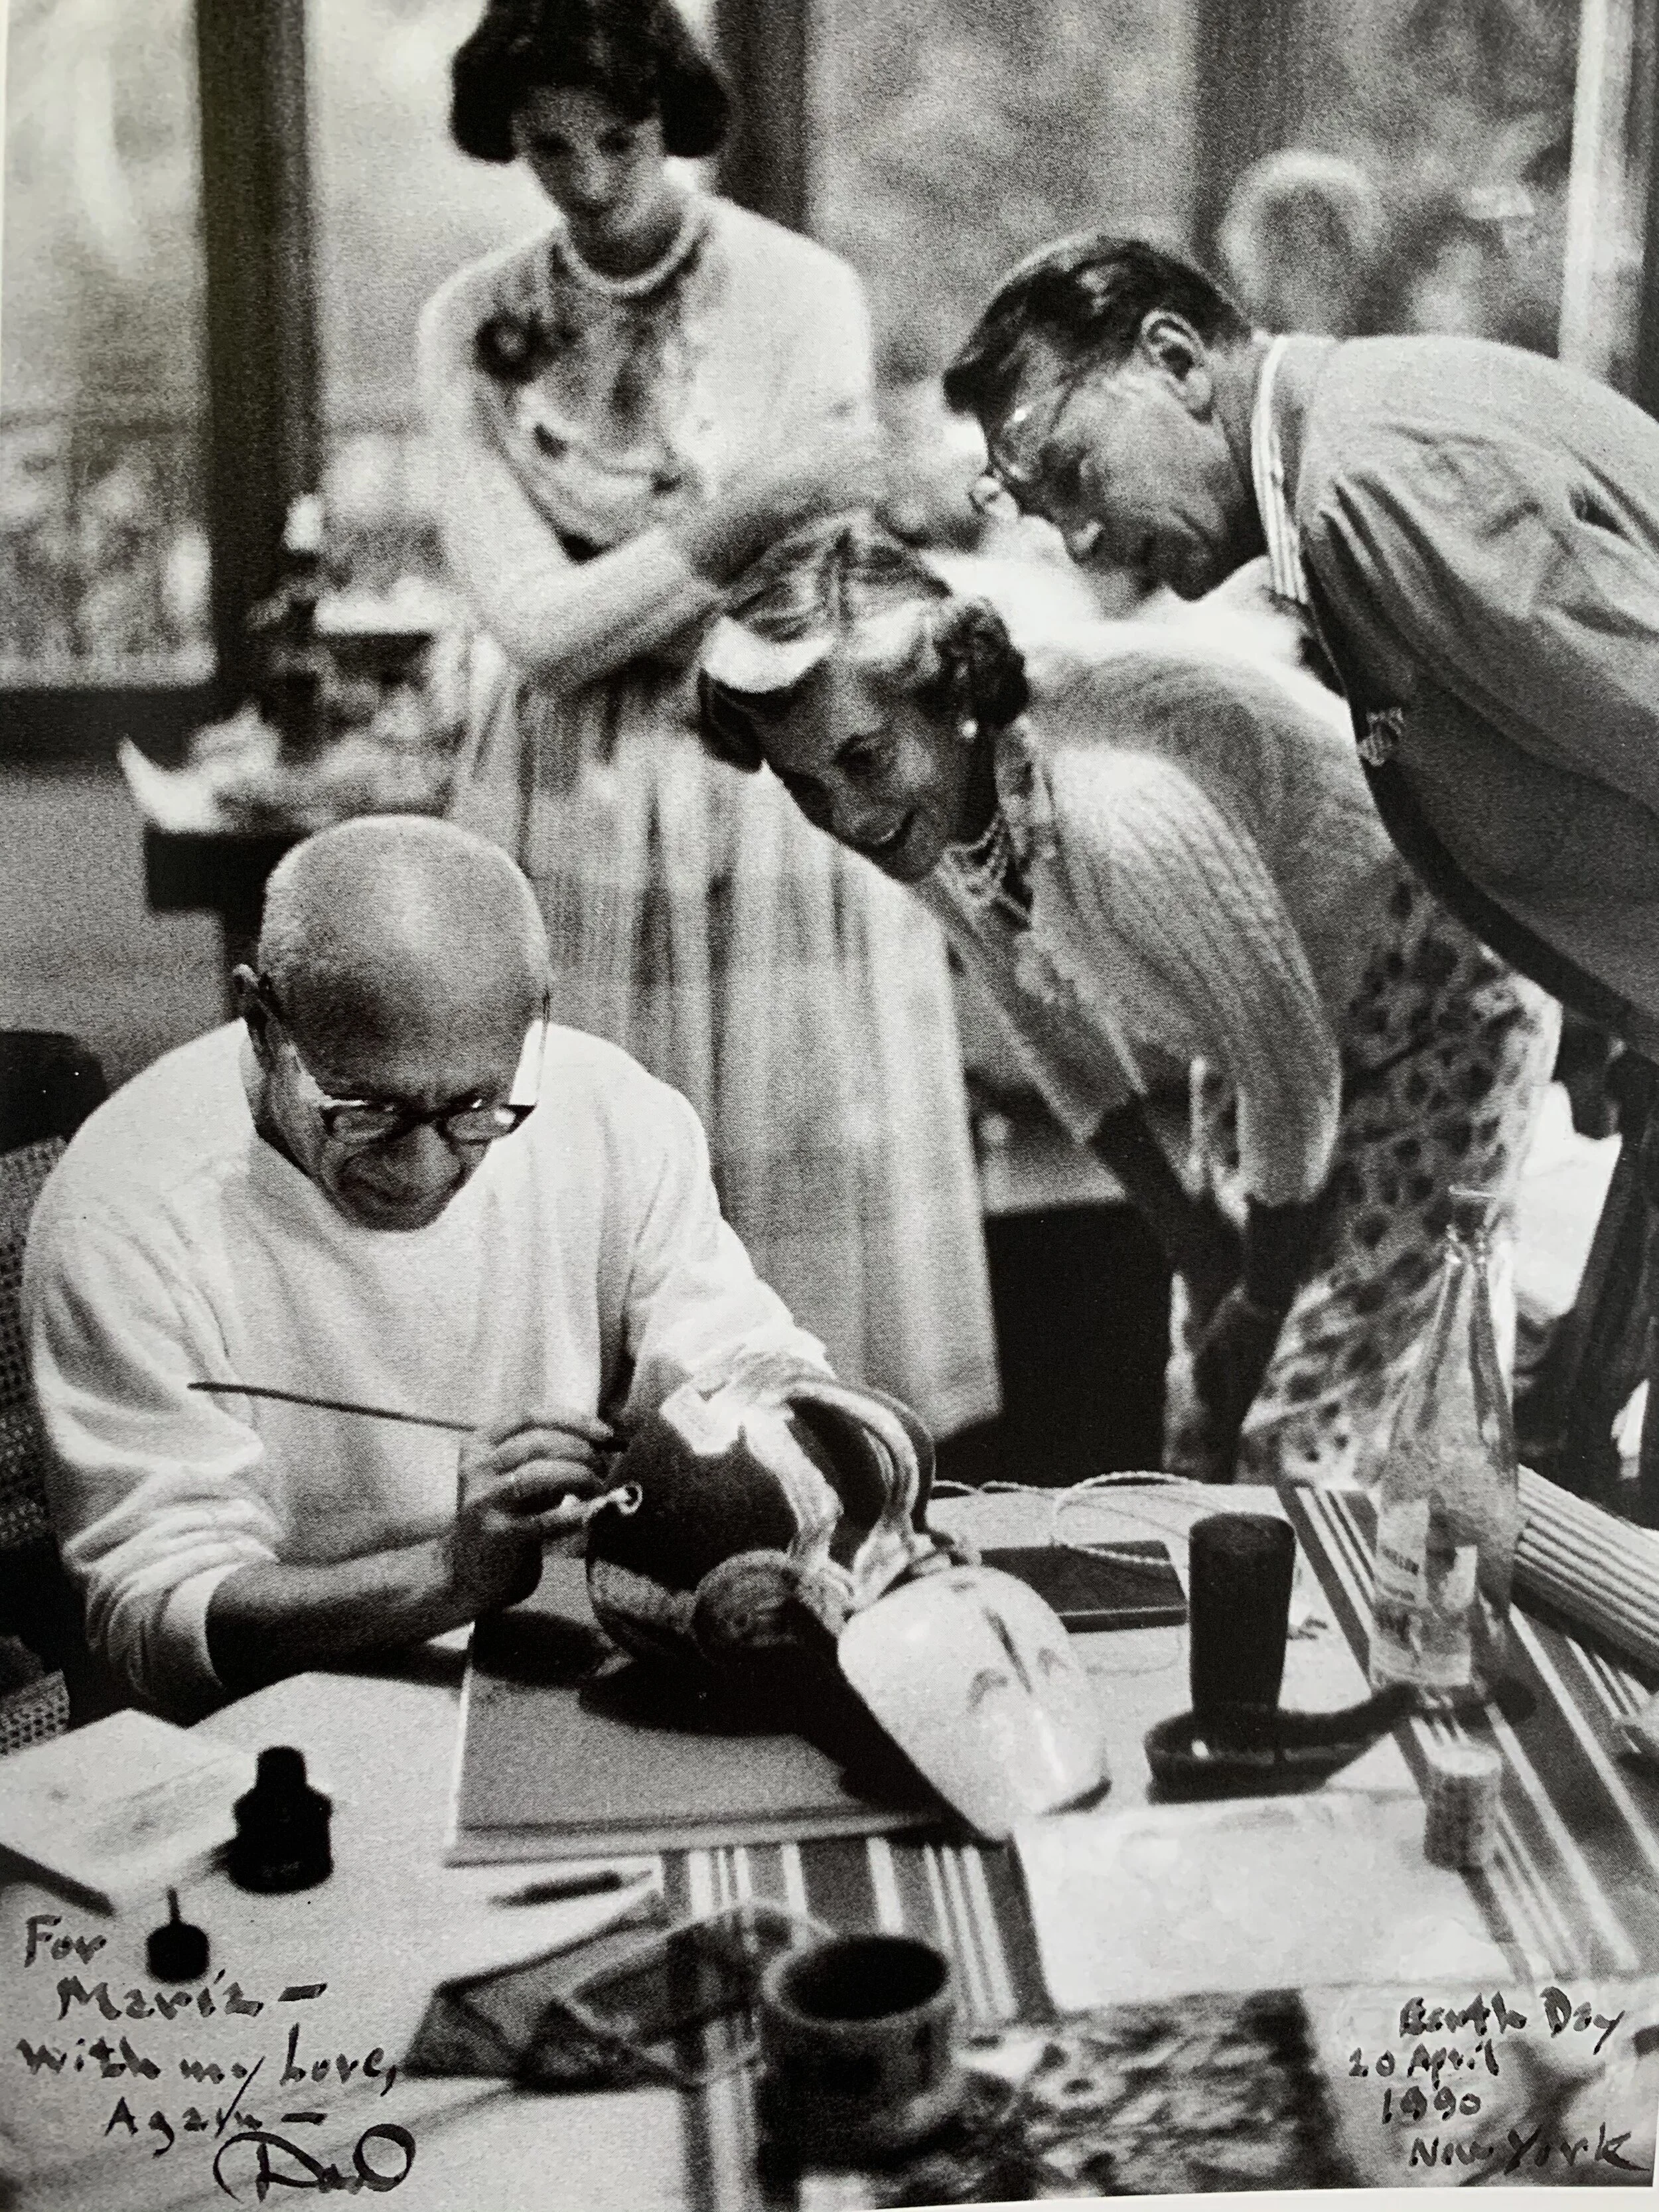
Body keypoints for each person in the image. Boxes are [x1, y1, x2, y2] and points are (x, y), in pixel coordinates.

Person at [417, 0, 997, 1443]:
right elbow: (536, 636)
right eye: (550, 148)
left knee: (783, 1171)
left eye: (620, 139)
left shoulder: (802, 290)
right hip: (557, 794)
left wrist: (638, 583)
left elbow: (794, 603)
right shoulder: (464, 318)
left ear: (670, 119)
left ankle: (820, 1490)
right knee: (582, 1184)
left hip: (760, 767)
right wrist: (746, 509)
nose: (594, 179)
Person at [696, 518, 1558, 1485]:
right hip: (1277, 1025)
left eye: (862, 759)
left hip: (1441, 1012)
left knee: (1304, 1434)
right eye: (806, 788)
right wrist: (1197, 1249)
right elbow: (1051, 1040)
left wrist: (1263, 1298)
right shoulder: (930, 810)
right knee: (1208, 1410)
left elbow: (1294, 1077)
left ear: (951, 701)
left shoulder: (1114, 808)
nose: (846, 817)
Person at [24, 817, 847, 1721]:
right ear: (260, 1023)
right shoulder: (124, 1210)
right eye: (364, 1109)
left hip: (558, 1674)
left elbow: (749, 1373)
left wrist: (794, 1443)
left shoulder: (615, 1114)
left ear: (534, 1023)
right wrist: (446, 1575)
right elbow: (154, 1623)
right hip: (283, 1719)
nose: (424, 1169)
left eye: (475, 1107)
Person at [936, 231, 1659, 1068]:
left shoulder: (1375, 481)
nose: (1079, 541)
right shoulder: (1348, 453)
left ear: (1175, 359)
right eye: (1039, 512)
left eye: (1073, 473)